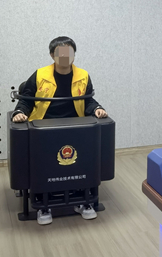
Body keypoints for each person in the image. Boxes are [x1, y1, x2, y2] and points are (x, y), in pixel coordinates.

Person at [13, 36, 108, 223]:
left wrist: (97, 108)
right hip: (44, 126)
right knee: (45, 163)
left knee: (82, 159)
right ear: (52, 55)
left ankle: (84, 201)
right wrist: (19, 112)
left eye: (69, 53)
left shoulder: (83, 75)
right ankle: (43, 205)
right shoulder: (39, 75)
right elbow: (26, 99)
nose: (65, 57)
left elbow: (88, 100)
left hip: (75, 126)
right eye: (60, 53)